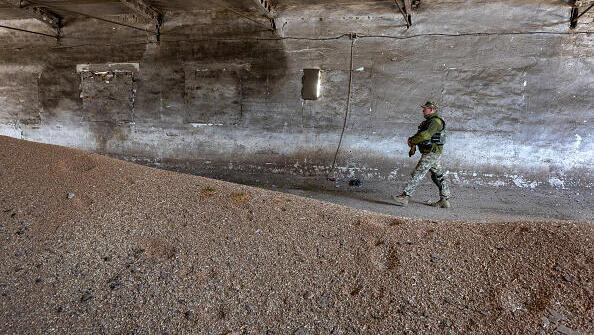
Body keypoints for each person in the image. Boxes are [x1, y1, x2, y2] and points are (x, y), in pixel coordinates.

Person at [392, 101, 451, 208]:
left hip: (431, 153)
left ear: (432, 110)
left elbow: (425, 135)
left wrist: (413, 140)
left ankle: (405, 196)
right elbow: (421, 134)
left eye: (426, 108)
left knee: (418, 172)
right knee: (437, 176)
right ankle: (445, 199)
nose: (423, 110)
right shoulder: (429, 122)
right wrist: (412, 140)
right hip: (432, 152)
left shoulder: (435, 122)